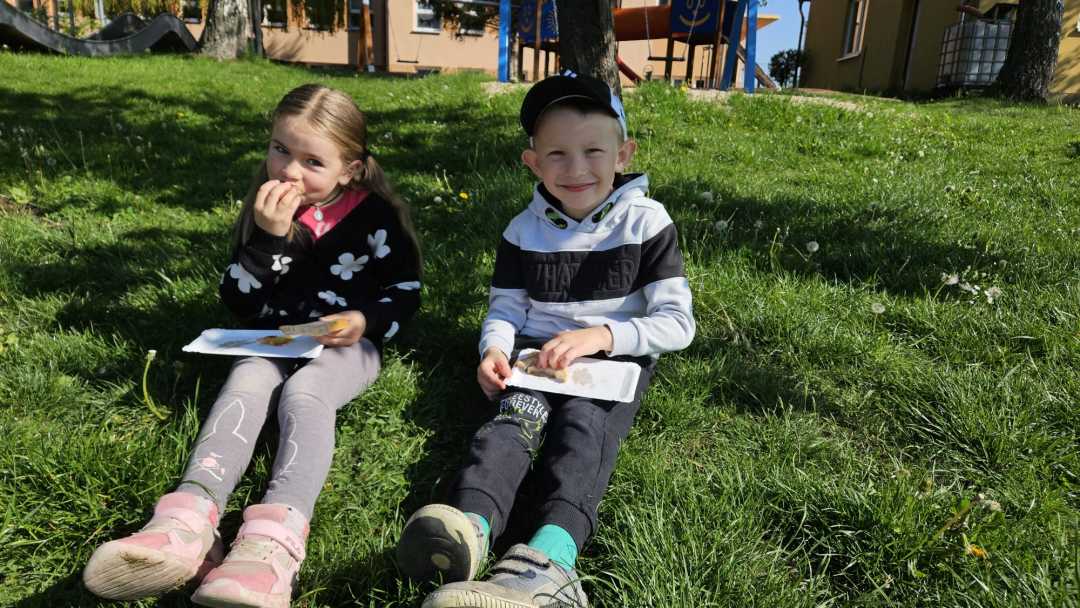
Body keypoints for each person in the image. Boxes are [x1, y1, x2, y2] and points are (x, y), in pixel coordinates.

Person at [83, 83, 422, 608]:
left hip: (347, 346)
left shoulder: (374, 217)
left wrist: (365, 319)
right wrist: (267, 238)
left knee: (307, 395)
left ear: (349, 170)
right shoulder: (266, 209)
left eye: (312, 161)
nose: (289, 171)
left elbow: (406, 290)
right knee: (245, 381)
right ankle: (186, 520)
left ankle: (273, 543)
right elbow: (240, 301)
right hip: (276, 338)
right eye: (280, 149)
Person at [396, 71, 694, 608]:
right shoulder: (521, 231)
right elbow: (506, 309)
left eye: (593, 151)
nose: (576, 168)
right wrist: (493, 349)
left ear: (623, 154)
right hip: (533, 360)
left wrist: (602, 335)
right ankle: (470, 529)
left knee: (583, 433)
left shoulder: (647, 222)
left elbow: (677, 323)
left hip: (611, 366)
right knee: (510, 426)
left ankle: (549, 562)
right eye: (557, 154)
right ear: (533, 163)